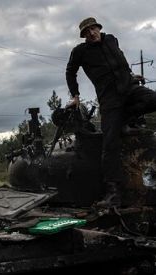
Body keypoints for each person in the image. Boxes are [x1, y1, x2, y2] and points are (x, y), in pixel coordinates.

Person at [66, 17, 156, 207]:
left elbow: (120, 60)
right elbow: (70, 72)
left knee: (152, 99)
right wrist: (75, 95)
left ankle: (125, 119)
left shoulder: (111, 40)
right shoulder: (80, 51)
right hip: (109, 99)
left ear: (99, 28)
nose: (91, 33)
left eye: (93, 29)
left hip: (128, 88)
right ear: (83, 36)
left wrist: (131, 76)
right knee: (109, 144)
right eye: (87, 32)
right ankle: (113, 193)